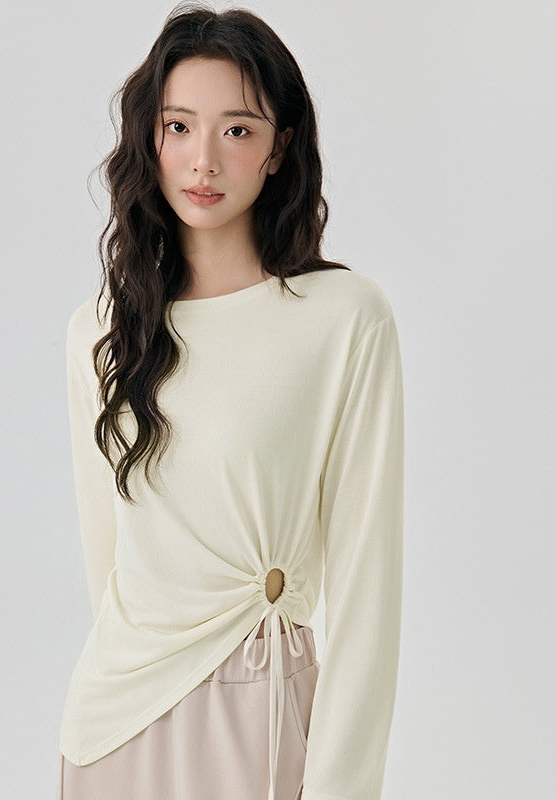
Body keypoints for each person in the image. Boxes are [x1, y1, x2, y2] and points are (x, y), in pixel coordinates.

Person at [54, 3, 404, 799]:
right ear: (150, 139)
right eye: (178, 127)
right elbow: (109, 569)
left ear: (279, 148)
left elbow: (368, 584)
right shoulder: (99, 333)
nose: (203, 160)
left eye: (237, 130)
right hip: (114, 724)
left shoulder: (343, 318)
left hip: (262, 709)